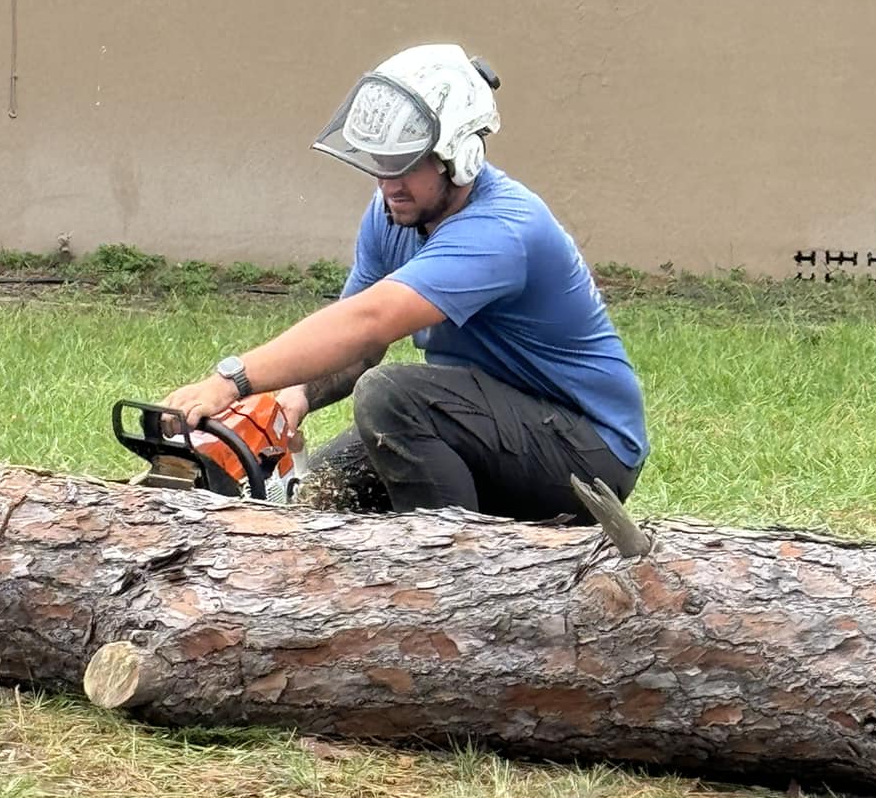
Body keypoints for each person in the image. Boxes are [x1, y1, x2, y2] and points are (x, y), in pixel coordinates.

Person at [162, 45, 648, 519]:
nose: (388, 183)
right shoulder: (394, 214)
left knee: (390, 397)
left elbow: (369, 322)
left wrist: (231, 381)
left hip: (589, 454)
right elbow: (354, 350)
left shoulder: (501, 230)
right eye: (379, 163)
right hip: (488, 425)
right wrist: (293, 398)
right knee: (317, 498)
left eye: (406, 164)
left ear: (462, 157)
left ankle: (454, 578)